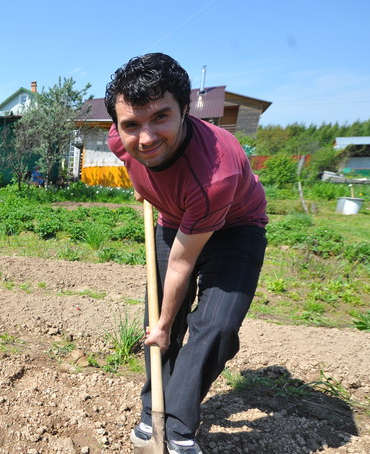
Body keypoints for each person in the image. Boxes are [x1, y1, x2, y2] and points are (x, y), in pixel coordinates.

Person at [105, 53, 268, 454]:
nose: (145, 138)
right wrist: (143, 187)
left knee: (216, 326)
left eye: (160, 117)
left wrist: (163, 323)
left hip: (235, 226)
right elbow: (132, 159)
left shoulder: (216, 170)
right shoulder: (118, 138)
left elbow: (182, 261)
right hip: (176, 219)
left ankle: (176, 427)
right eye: (132, 124)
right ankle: (152, 413)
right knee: (160, 322)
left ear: (186, 109)